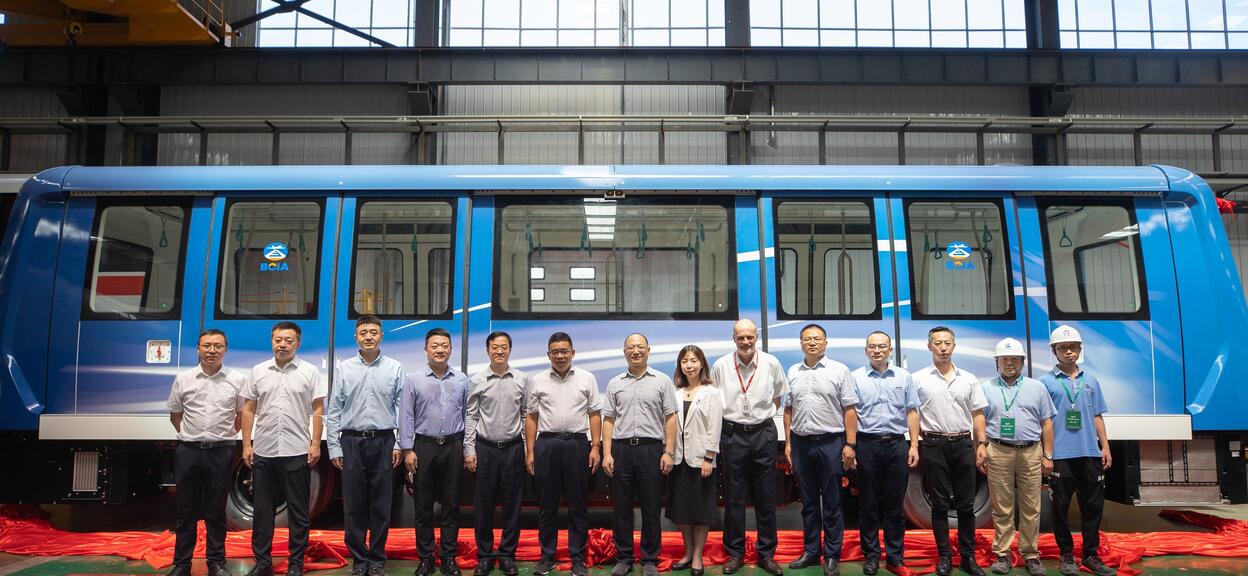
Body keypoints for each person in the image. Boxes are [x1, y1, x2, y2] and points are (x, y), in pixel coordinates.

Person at [241, 321, 327, 576]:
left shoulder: (309, 371)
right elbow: (248, 408)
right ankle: (263, 562)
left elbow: (318, 409)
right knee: (263, 511)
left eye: (288, 340)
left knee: (299, 511)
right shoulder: (258, 371)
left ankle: (296, 562)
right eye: (278, 339)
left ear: (297, 343)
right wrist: (247, 444)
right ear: (272, 341)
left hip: (296, 451)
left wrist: (315, 443)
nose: (282, 344)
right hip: (265, 451)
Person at [326, 315, 404, 576]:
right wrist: (335, 447)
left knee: (382, 504)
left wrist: (398, 445)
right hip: (351, 442)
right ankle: (359, 560)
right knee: (354, 504)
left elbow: (400, 409)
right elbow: (335, 409)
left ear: (381, 335)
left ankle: (377, 560)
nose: (368, 336)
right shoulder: (344, 368)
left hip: (384, 441)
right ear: (356, 337)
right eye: (363, 332)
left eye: (373, 331)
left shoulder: (394, 368)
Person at [710, 319, 789, 576]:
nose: (745, 342)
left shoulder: (771, 363)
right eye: (740, 337)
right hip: (732, 434)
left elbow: (778, 397)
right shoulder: (721, 365)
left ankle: (767, 554)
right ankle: (735, 554)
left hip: (763, 432)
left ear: (757, 337)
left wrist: (759, 417)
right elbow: (713, 399)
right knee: (734, 497)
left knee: (766, 496)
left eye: (750, 337)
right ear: (733, 338)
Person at [167, 329, 247, 576]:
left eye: (218, 346)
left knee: (216, 510)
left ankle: (216, 563)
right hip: (188, 452)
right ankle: (182, 565)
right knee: (185, 511)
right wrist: (193, 436)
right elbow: (175, 415)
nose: (212, 350)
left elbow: (240, 416)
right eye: (207, 345)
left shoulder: (237, 379)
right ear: (198, 349)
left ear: (225, 349)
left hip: (221, 453)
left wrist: (220, 438)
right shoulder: (184, 379)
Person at [1039, 326, 1116, 576]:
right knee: (1060, 508)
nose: (1068, 351)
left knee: (1093, 507)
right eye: (1063, 348)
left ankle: (1091, 555)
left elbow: (1097, 416)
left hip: (1089, 454)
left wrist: (1104, 446)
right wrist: (1045, 454)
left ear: (1080, 349)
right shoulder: (1045, 383)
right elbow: (1043, 422)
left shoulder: (1091, 381)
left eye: (1073, 347)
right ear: (1054, 351)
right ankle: (1066, 556)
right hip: (1060, 456)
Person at [525, 332, 602, 576]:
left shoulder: (587, 379)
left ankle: (577, 558)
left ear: (573, 353)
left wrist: (596, 446)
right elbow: (531, 417)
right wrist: (530, 451)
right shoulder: (537, 380)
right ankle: (547, 557)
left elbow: (594, 414)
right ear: (548, 354)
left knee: (578, 505)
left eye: (564, 351)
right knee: (547, 505)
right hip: (546, 445)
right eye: (555, 352)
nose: (560, 355)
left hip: (577, 445)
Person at [783, 324, 857, 576]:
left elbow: (849, 409)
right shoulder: (792, 371)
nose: (812, 343)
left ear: (826, 343)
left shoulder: (840, 371)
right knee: (809, 503)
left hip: (831, 443)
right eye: (807, 339)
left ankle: (833, 555)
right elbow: (788, 409)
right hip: (802, 444)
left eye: (817, 339)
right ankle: (811, 551)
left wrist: (850, 444)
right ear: (801, 343)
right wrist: (789, 443)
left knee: (833, 502)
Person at [603, 333, 679, 576]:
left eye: (640, 347)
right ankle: (624, 557)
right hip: (622, 450)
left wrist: (668, 451)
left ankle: (649, 558)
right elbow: (608, 419)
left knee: (651, 506)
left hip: (651, 450)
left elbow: (670, 418)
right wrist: (607, 453)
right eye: (630, 347)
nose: (635, 351)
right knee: (621, 508)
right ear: (624, 351)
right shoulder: (615, 383)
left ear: (648, 350)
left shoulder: (662, 380)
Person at [913, 326, 987, 576]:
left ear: (954, 346)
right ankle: (944, 556)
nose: (943, 347)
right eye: (937, 343)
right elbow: (913, 414)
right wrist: (920, 440)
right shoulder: (919, 379)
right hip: (934, 445)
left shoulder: (968, 378)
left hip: (965, 444)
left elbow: (977, 414)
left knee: (966, 505)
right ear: (929, 346)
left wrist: (982, 444)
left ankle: (968, 557)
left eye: (947, 343)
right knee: (940, 504)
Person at [978, 337, 1056, 576]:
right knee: (1002, 506)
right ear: (997, 362)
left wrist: (1048, 455)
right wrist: (980, 449)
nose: (1009, 363)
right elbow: (979, 422)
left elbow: (1047, 423)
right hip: (998, 450)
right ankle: (1002, 554)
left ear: (1022, 362)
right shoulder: (986, 388)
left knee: (1031, 506)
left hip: (1031, 452)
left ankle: (1031, 555)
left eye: (1014, 359)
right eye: (1004, 359)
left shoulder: (1037, 387)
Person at [400, 327, 471, 576]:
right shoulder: (413, 379)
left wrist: (466, 447)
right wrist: (407, 449)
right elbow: (406, 415)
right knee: (423, 506)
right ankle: (426, 558)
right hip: (424, 447)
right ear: (426, 350)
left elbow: (467, 416)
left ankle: (449, 557)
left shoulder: (462, 380)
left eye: (444, 345)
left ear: (451, 349)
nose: (440, 350)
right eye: (434, 346)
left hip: (453, 446)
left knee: (451, 504)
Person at [850, 331, 920, 576]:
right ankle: (871, 555)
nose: (877, 350)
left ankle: (895, 557)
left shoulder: (904, 377)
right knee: (867, 505)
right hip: (866, 445)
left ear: (890, 350)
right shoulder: (855, 378)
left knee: (894, 506)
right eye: (872, 346)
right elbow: (849, 414)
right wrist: (850, 446)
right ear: (866, 350)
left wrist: (913, 445)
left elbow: (912, 412)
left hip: (896, 446)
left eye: (882, 346)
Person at [464, 331, 530, 576]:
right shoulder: (478, 380)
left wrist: (526, 449)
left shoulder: (522, 379)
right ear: (487, 350)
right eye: (494, 347)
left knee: (513, 506)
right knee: (483, 506)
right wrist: (469, 449)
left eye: (503, 347)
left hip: (513, 448)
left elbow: (526, 415)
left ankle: (506, 555)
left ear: (510, 350)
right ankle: (485, 555)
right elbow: (471, 416)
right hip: (485, 449)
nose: (499, 351)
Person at [667, 345, 724, 576]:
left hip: (701, 460)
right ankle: (688, 552)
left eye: (693, 360)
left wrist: (709, 458)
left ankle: (698, 557)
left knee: (701, 511)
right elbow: (668, 425)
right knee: (682, 510)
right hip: (679, 460)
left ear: (702, 364)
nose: (689, 365)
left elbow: (715, 427)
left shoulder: (712, 393)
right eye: (684, 361)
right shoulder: (674, 392)